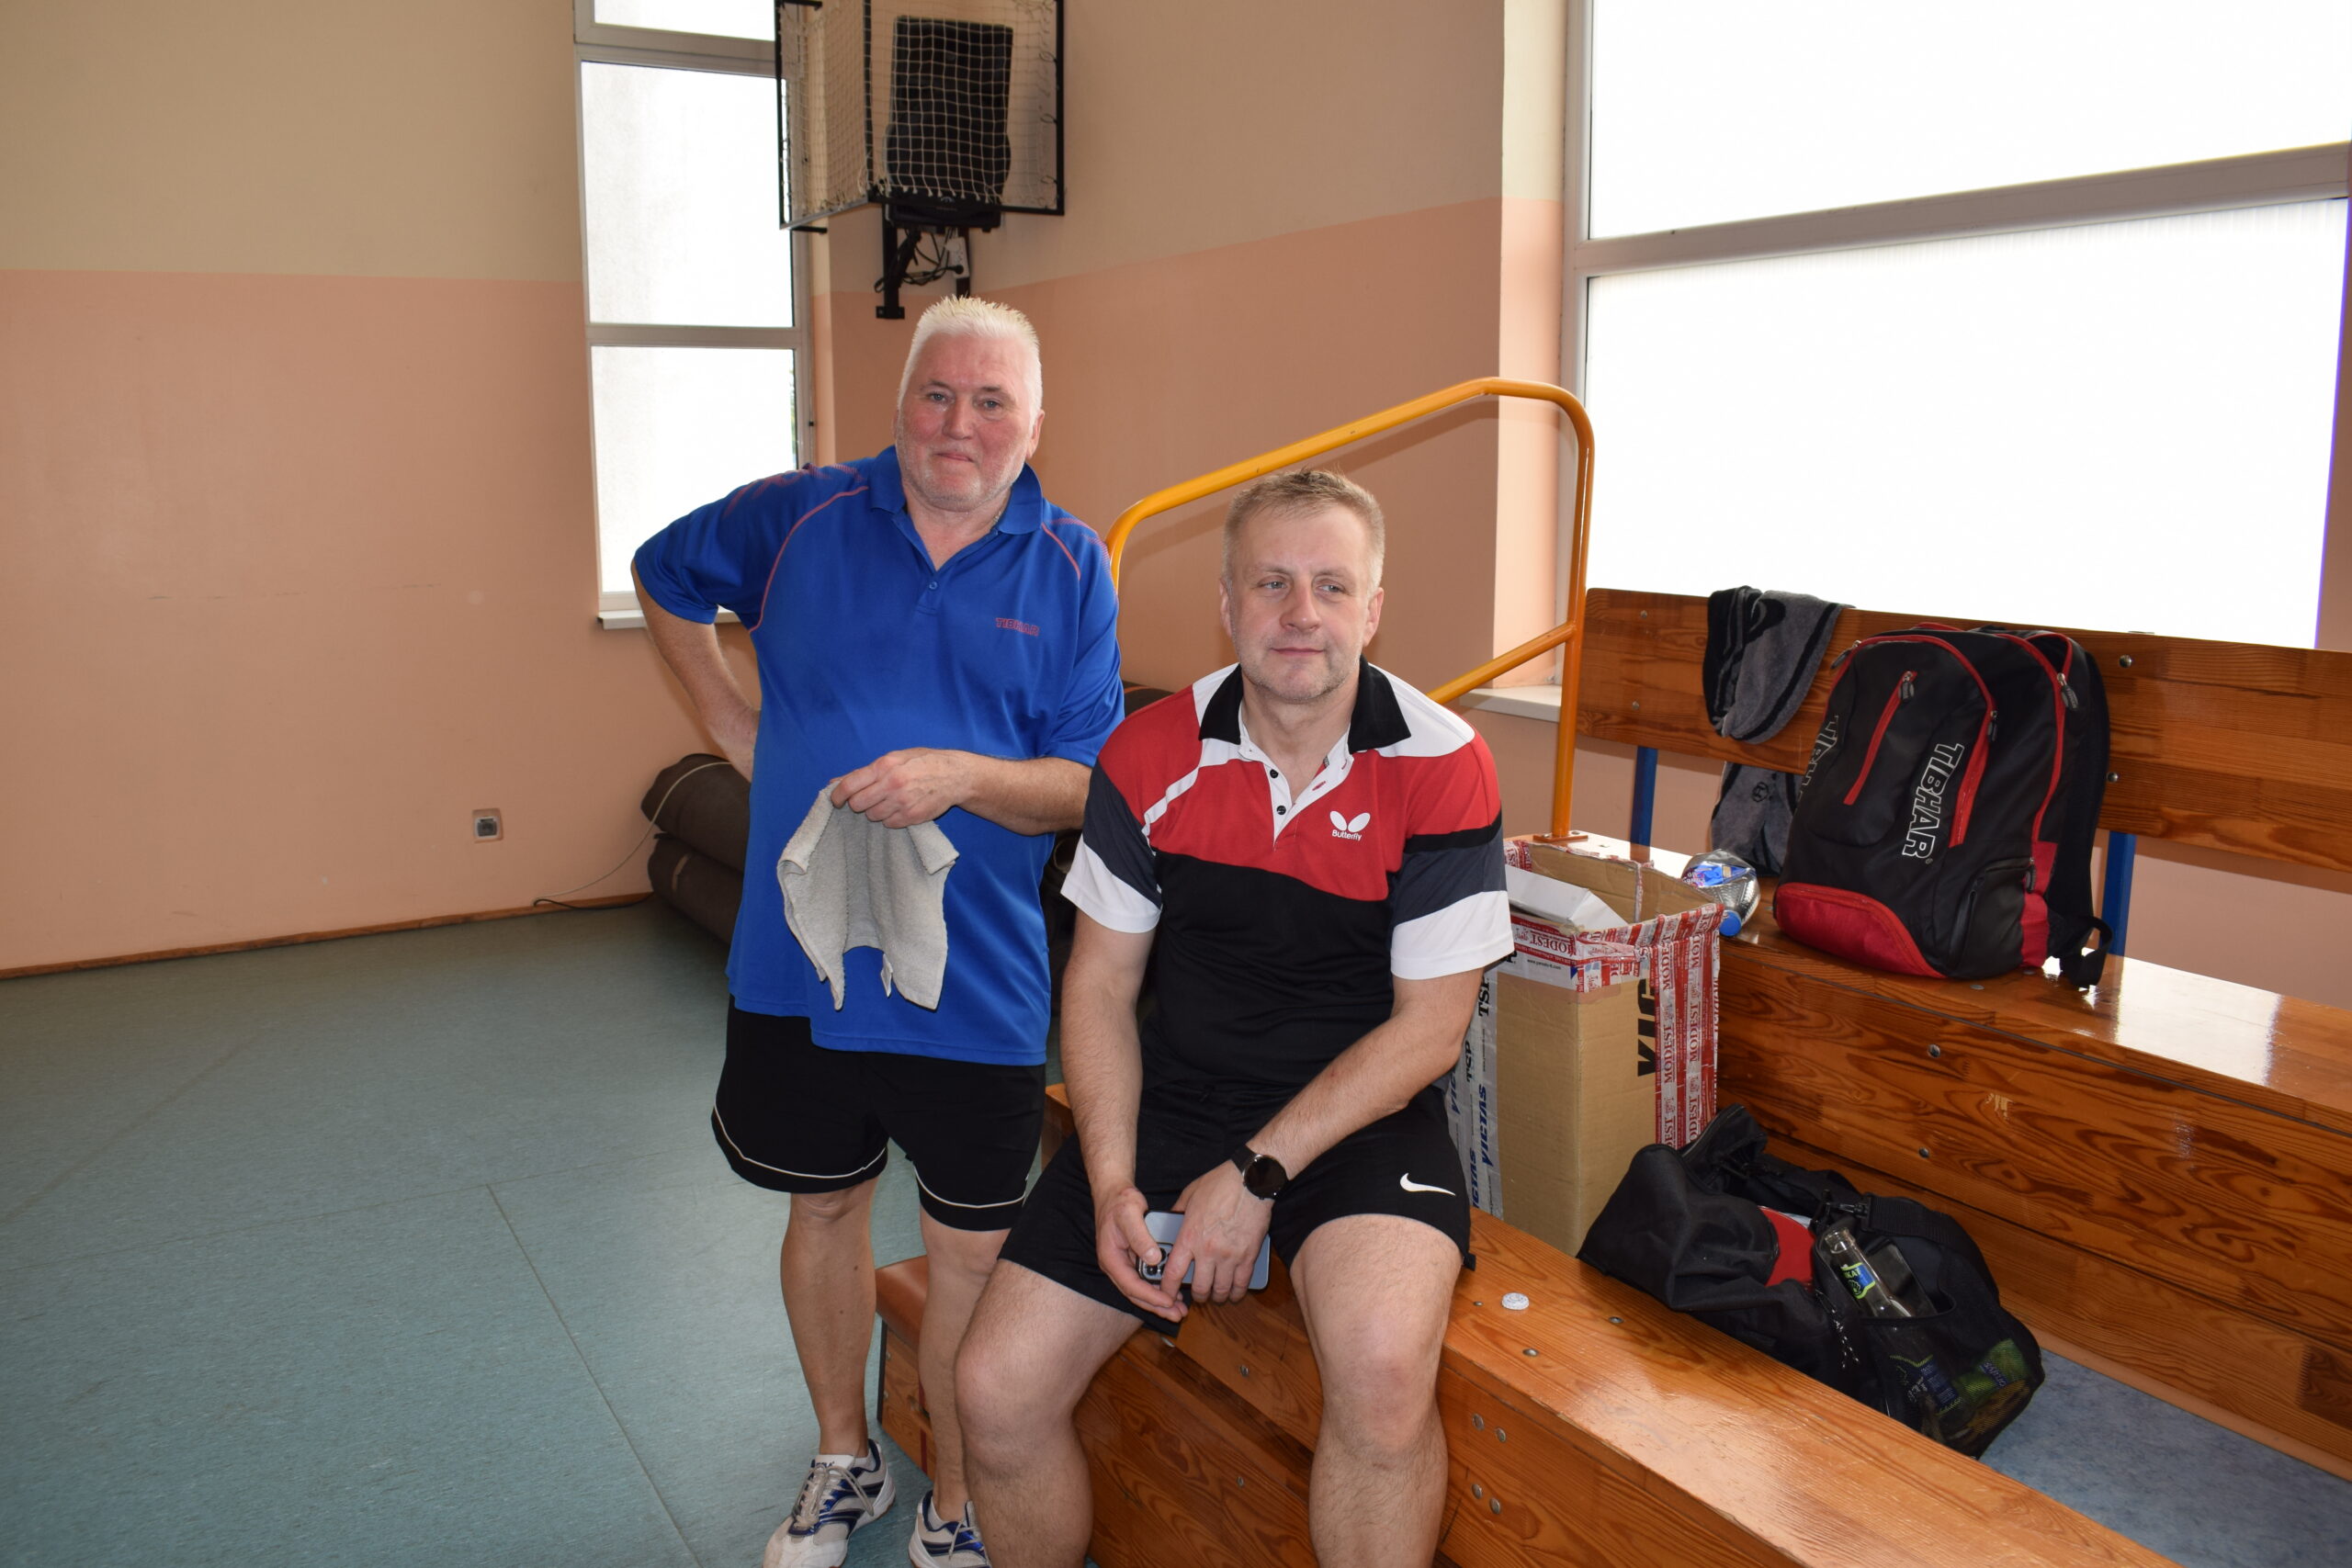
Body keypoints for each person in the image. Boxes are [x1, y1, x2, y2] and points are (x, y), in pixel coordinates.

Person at [631, 297, 1123, 1568]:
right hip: (803, 964)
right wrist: (732, 728)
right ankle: (842, 1457)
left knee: (970, 1251)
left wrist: (965, 776)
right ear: (900, 405)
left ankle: (954, 1496)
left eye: (992, 402)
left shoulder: (1073, 565)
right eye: (936, 394)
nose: (959, 424)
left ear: (1034, 425)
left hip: (980, 980)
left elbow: (1087, 785)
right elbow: (662, 571)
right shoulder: (800, 516)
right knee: (824, 1210)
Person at [955, 469, 1510, 1568]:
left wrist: (1256, 1174)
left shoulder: (1442, 762)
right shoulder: (1147, 752)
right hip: (1180, 1098)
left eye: (1331, 586)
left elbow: (1428, 1033)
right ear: (1227, 603)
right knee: (993, 1389)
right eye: (1271, 583)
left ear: (1372, 609)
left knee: (1383, 1374)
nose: (1300, 613)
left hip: (1361, 1116)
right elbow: (1100, 987)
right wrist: (1111, 1180)